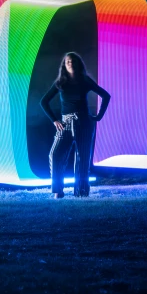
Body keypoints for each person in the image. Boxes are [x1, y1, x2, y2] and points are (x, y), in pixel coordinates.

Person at [40, 52, 111, 198]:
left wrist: (99, 116)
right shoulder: (61, 82)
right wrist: (54, 120)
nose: (70, 63)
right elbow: (44, 101)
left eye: (72, 61)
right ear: (64, 65)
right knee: (55, 154)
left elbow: (106, 95)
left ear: (78, 63)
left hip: (83, 122)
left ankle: (81, 192)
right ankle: (58, 191)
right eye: (67, 61)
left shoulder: (85, 80)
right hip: (65, 122)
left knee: (82, 158)